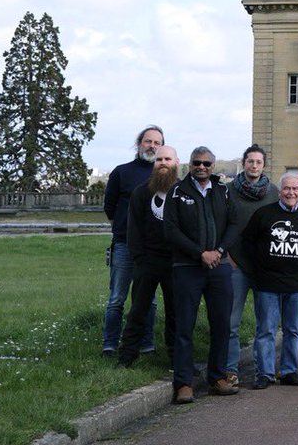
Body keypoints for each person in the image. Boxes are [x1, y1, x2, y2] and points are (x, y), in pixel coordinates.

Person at [164, 146, 239, 404]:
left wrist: (218, 251)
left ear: (213, 166)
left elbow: (234, 224)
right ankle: (184, 383)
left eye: (207, 163)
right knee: (184, 325)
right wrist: (199, 253)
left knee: (221, 324)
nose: (202, 167)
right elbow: (171, 230)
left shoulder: (223, 191)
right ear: (190, 164)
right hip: (187, 268)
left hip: (218, 267)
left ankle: (217, 377)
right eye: (197, 163)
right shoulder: (177, 192)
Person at [242, 173, 298, 389]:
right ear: (280, 191)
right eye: (287, 189)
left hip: (296, 284)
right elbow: (248, 242)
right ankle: (264, 374)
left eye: (295, 189)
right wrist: (260, 266)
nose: (291, 193)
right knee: (266, 330)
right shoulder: (263, 214)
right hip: (267, 284)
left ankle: (289, 371)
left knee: (293, 330)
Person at [102, 125, 164, 358]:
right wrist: (123, 228)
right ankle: (109, 344)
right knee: (117, 298)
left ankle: (146, 343)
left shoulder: (163, 175)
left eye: (157, 143)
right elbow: (110, 207)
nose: (152, 146)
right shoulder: (121, 172)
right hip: (124, 245)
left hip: (152, 248)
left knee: (150, 300)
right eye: (148, 142)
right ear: (139, 144)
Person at [116, 145, 178, 368]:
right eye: (159, 159)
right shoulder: (141, 192)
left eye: (167, 159)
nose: (163, 162)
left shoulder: (183, 192)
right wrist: (140, 259)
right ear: (154, 164)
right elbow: (133, 230)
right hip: (147, 262)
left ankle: (175, 358)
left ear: (176, 163)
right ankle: (126, 357)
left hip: (175, 263)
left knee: (176, 313)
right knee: (138, 311)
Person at [225, 144, 271, 387]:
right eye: (250, 161)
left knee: (265, 323)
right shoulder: (228, 191)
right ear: (244, 164)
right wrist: (228, 256)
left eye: (258, 162)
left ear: (264, 165)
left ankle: (264, 370)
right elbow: (220, 224)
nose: (254, 165)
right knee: (231, 322)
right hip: (236, 265)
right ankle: (230, 370)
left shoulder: (273, 192)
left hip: (264, 267)